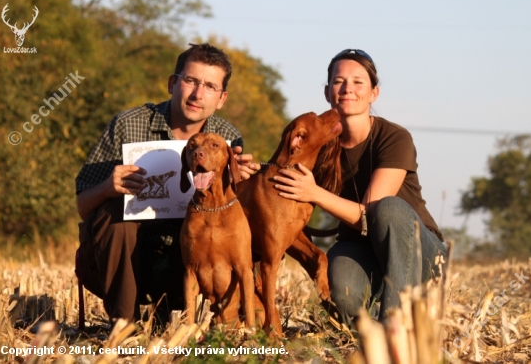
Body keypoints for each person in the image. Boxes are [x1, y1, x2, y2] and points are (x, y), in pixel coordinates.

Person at [75, 43, 259, 325]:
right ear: (173, 83)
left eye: (210, 86)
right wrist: (107, 188)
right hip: (121, 264)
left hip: (186, 262)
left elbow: (232, 216)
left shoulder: (226, 137)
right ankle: (125, 329)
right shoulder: (128, 124)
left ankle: (227, 319)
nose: (198, 94)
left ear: (222, 98)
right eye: (190, 81)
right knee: (114, 211)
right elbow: (82, 207)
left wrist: (243, 183)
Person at [272, 49, 446, 328]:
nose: (347, 89)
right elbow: (281, 180)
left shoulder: (394, 137)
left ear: (374, 93)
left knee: (387, 209)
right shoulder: (320, 145)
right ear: (328, 92)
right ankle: (371, 322)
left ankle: (396, 326)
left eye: (358, 82)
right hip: (361, 248)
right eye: (339, 82)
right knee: (340, 293)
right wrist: (249, 173)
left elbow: (370, 214)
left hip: (420, 254)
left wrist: (314, 192)